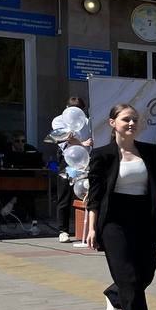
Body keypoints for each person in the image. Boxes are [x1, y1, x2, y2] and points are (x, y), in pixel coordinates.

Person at [85, 104, 156, 310]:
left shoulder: (150, 151)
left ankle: (114, 295)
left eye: (135, 119)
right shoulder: (102, 155)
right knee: (127, 274)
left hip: (143, 217)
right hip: (114, 220)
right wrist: (91, 228)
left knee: (147, 269)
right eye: (126, 119)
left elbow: (154, 188)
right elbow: (95, 196)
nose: (131, 123)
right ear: (113, 123)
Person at [54, 97, 92, 242]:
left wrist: (85, 144)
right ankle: (63, 230)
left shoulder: (87, 122)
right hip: (68, 161)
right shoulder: (59, 120)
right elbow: (66, 139)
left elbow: (91, 141)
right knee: (65, 194)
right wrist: (83, 143)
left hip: (85, 161)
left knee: (86, 192)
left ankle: (88, 228)